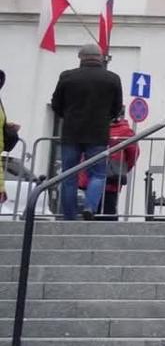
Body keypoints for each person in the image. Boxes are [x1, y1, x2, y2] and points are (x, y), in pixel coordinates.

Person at [49, 44, 122, 221]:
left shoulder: (67, 77)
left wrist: (68, 116)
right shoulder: (112, 79)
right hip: (98, 134)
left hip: (71, 133)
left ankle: (69, 216)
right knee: (98, 174)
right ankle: (90, 206)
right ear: (100, 58)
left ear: (80, 58)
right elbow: (117, 107)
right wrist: (106, 119)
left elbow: (56, 104)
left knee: (69, 176)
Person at [96, 115, 138, 220]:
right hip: (112, 175)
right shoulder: (125, 131)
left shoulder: (95, 127)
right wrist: (123, 168)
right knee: (108, 210)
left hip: (103, 176)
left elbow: (133, 153)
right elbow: (133, 153)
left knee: (102, 209)